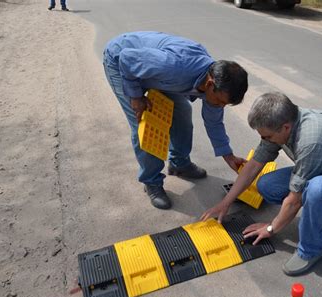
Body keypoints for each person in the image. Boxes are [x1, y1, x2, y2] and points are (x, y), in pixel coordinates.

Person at [201, 92, 322, 276]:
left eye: (267, 137)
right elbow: (253, 166)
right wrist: (225, 202)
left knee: (318, 189)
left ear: (286, 128)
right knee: (267, 185)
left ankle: (310, 250)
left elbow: (294, 199)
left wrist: (271, 227)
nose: (264, 140)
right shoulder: (283, 123)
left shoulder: (310, 140)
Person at [103, 31, 248, 210]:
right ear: (210, 85)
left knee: (182, 111)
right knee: (146, 124)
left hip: (155, 74)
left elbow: (214, 123)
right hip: (120, 62)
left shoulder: (214, 84)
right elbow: (127, 59)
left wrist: (229, 156)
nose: (220, 106)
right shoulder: (174, 66)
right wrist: (136, 95)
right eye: (220, 101)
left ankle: (179, 163)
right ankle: (152, 182)